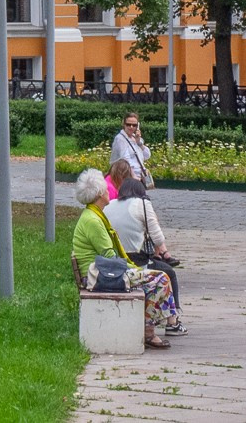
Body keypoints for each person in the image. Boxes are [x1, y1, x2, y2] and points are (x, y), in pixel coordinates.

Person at [72, 167, 178, 350]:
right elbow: (109, 256)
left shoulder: (94, 215)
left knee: (157, 277)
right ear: (99, 194)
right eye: (105, 189)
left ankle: (149, 329)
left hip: (101, 271)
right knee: (160, 278)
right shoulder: (93, 221)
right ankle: (148, 331)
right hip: (99, 276)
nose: (109, 191)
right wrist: (133, 269)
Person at [105, 159, 183, 331]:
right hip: (136, 263)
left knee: (162, 270)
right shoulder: (143, 204)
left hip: (113, 262)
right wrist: (164, 252)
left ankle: (165, 320)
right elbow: (157, 236)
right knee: (168, 273)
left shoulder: (108, 206)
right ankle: (173, 322)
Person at [110, 112, 152, 187]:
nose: (131, 127)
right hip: (128, 177)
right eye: (128, 124)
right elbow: (125, 160)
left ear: (138, 126)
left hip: (139, 176)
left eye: (134, 125)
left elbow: (147, 155)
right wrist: (134, 177)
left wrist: (139, 142)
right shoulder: (120, 139)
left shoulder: (135, 137)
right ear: (124, 124)